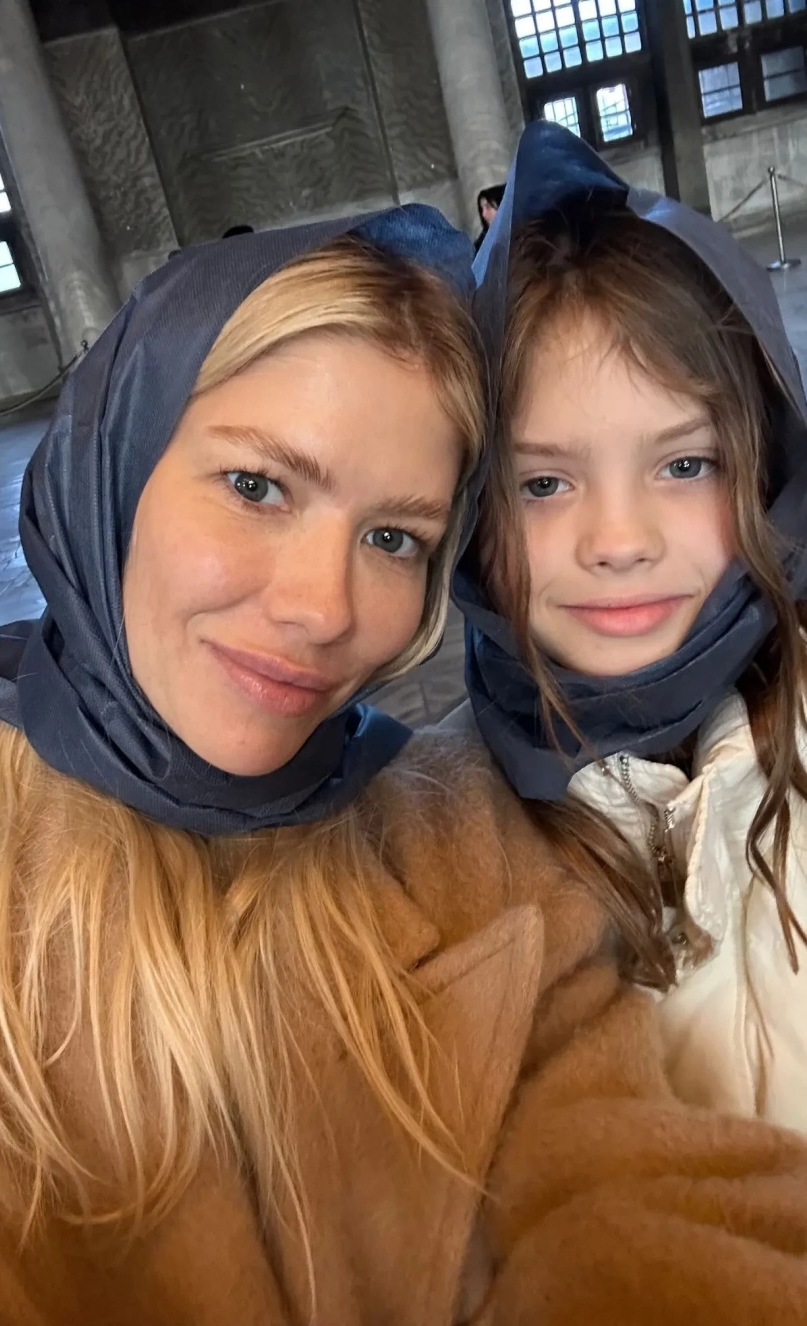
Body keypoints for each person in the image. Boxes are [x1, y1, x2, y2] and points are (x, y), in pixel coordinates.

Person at [0, 201, 807, 1326]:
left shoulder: (458, 836)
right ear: (114, 458)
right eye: (256, 486)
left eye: (394, 537)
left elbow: (617, 1191)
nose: (323, 609)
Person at [459, 119, 807, 1135]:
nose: (618, 541)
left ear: (763, 470)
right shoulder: (428, 851)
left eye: (684, 464)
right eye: (542, 482)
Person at [474, 184, 505, 254]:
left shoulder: (521, 235)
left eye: (488, 207)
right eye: (481, 209)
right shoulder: (481, 244)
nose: (483, 214)